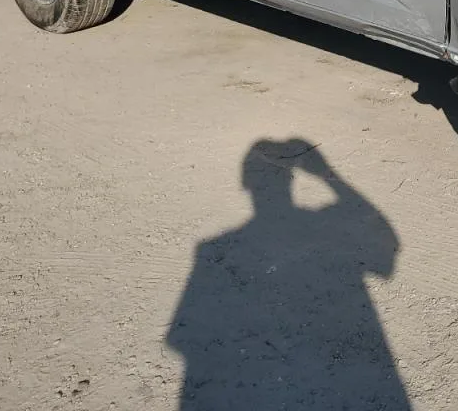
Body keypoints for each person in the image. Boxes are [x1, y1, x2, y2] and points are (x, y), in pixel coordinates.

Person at [167, 139, 408, 410]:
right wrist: (331, 177)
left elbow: (179, 338)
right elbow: (387, 251)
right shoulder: (318, 225)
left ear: (247, 186)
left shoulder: (210, 250)